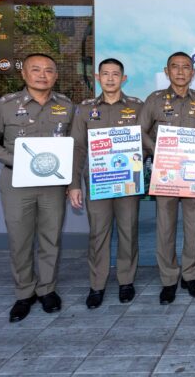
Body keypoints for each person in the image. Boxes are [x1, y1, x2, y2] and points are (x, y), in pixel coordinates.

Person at [0, 53, 74, 322]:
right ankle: (24, 293)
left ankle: (47, 289)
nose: (43, 75)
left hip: (53, 184)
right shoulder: (6, 105)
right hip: (16, 183)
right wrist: (19, 160)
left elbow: (74, 145)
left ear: (56, 75)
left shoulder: (67, 106)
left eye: (49, 70)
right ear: (24, 74)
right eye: (36, 69)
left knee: (50, 238)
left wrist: (72, 181)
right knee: (19, 240)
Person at [68, 58, 144, 309]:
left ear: (124, 79)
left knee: (128, 231)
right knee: (98, 234)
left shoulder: (137, 107)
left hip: (128, 182)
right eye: (105, 74)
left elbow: (147, 140)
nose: (110, 78)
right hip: (98, 182)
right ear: (97, 77)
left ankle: (126, 281)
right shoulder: (85, 109)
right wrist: (74, 184)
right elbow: (78, 148)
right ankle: (97, 285)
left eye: (115, 74)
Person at [140, 51, 195, 304]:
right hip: (166, 173)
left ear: (193, 73)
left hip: (193, 175)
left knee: (193, 228)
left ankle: (190, 276)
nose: (181, 72)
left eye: (186, 67)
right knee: (165, 229)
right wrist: (158, 151)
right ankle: (169, 279)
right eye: (175, 67)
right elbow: (141, 131)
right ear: (167, 71)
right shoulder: (155, 100)